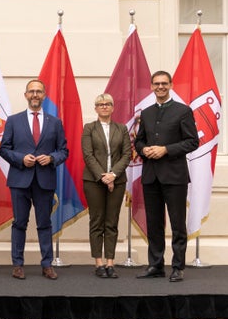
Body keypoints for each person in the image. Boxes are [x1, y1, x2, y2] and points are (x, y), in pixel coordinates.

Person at [0, 79, 68, 280]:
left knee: (44, 224)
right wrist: (21, 158)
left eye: (39, 91)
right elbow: (4, 149)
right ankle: (17, 264)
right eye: (31, 91)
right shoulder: (13, 121)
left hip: (44, 180)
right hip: (19, 180)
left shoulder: (55, 122)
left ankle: (47, 264)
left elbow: (63, 150)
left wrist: (51, 158)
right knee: (19, 223)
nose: (35, 95)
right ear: (26, 95)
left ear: (44, 95)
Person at [135, 71, 199, 283]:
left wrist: (166, 149)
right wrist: (144, 149)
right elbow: (139, 141)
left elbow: (192, 141)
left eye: (164, 83)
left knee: (177, 224)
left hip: (175, 176)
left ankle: (178, 267)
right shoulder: (146, 113)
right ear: (151, 86)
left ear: (171, 85)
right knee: (154, 224)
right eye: (156, 84)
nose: (160, 87)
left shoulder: (183, 111)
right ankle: (156, 265)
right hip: (151, 176)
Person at [81, 93, 131, 279]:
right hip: (94, 181)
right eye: (100, 104)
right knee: (97, 221)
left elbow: (127, 154)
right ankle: (99, 262)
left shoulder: (122, 128)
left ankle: (110, 262)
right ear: (96, 108)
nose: (104, 106)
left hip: (117, 181)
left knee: (112, 221)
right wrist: (104, 177)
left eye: (108, 104)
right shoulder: (89, 128)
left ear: (113, 107)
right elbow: (88, 155)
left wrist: (113, 175)